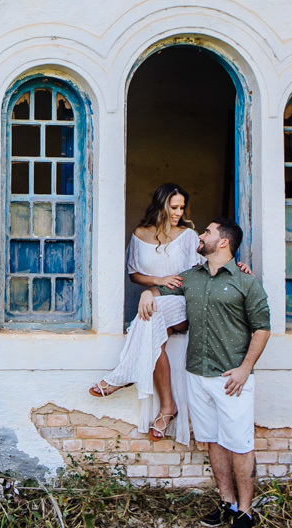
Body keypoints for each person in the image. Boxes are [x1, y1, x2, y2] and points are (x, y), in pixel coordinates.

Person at [138, 218, 270, 528]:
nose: (201, 235)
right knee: (212, 441)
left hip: (231, 379)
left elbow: (262, 329)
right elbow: (162, 290)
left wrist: (245, 369)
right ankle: (227, 502)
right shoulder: (191, 278)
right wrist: (148, 293)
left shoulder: (246, 282)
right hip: (196, 374)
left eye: (207, 232)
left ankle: (246, 513)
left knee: (239, 444)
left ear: (223, 241)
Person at [89, 183, 200, 443]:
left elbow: (200, 274)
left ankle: (123, 374)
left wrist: (155, 292)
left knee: (151, 312)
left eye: (182, 208)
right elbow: (134, 273)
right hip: (156, 301)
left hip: (184, 303)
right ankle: (167, 408)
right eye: (174, 207)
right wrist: (157, 282)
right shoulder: (140, 234)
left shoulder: (189, 236)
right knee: (151, 324)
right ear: (161, 205)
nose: (178, 213)